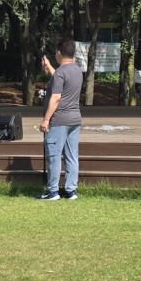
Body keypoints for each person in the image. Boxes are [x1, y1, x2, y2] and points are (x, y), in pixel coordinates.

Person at [38, 37, 83, 200]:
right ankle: (71, 190)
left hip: (59, 120)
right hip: (75, 119)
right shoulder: (77, 70)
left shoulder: (60, 73)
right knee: (72, 156)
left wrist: (46, 120)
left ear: (58, 53)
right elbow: (60, 78)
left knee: (54, 156)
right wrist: (49, 66)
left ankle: (53, 191)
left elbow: (56, 97)